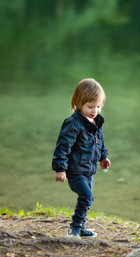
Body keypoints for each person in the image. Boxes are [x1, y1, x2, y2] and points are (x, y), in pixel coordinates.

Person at [52, 78, 111, 239]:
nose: (95, 111)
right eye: (90, 107)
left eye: (98, 106)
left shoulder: (96, 122)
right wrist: (60, 169)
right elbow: (63, 146)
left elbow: (100, 142)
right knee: (87, 197)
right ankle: (74, 228)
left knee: (88, 200)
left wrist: (103, 157)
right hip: (75, 170)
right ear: (79, 103)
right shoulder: (73, 124)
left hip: (88, 170)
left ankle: (81, 226)